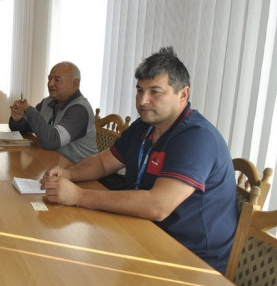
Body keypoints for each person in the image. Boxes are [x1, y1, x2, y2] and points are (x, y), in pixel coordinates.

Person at [41, 47, 238, 273]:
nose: (143, 100)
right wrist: (69, 174)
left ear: (183, 95)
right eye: (140, 90)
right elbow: (104, 162)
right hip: (142, 233)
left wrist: (79, 196)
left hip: (190, 261)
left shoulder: (197, 138)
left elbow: (157, 205)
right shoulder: (144, 126)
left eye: (155, 92)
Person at [9, 61, 98, 163]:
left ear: (75, 83)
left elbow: (52, 141)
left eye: (57, 80)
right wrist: (17, 119)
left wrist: (28, 110)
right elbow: (28, 127)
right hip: (54, 162)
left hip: (78, 168)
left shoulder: (80, 110)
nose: (50, 84)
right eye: (49, 79)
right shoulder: (48, 102)